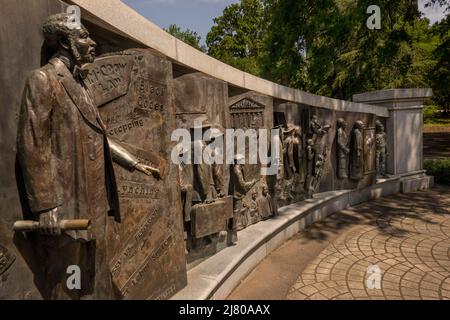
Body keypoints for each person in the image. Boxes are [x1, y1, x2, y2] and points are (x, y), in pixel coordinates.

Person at [16, 13, 160, 299]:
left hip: (94, 201)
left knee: (90, 278)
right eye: (83, 36)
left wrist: (134, 163)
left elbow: (99, 137)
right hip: (68, 205)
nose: (92, 42)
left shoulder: (81, 86)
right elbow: (32, 144)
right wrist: (45, 207)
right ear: (66, 43)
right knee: (67, 279)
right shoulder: (43, 80)